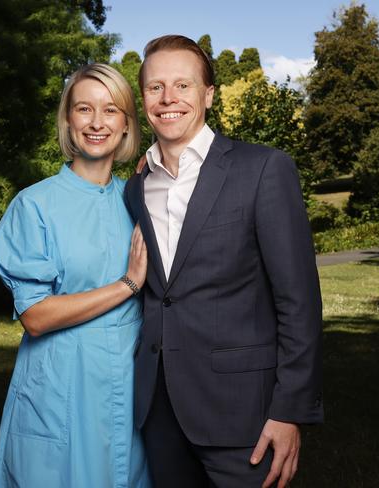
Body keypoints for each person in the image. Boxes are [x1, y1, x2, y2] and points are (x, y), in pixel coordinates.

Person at [124, 35, 324, 488]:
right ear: (144, 98)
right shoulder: (136, 188)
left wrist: (290, 410)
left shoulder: (263, 169)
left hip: (245, 414)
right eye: (155, 87)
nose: (168, 98)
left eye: (183, 85)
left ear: (209, 95)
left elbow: (299, 302)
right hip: (160, 410)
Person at [0, 63, 151, 488]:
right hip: (62, 385)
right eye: (84, 109)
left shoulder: (139, 199)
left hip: (132, 384)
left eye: (111, 110)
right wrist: (127, 285)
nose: (97, 122)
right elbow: (36, 316)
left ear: (126, 125)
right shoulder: (34, 205)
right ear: (68, 120)